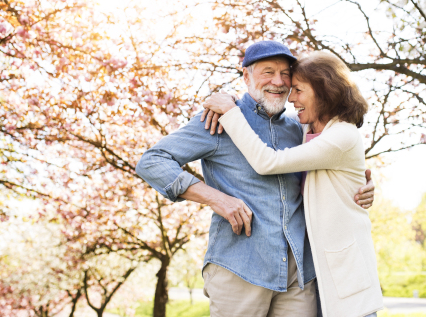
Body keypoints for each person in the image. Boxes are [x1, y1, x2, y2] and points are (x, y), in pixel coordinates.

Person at [135, 41, 375, 317]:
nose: (278, 81)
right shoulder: (218, 120)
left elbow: (336, 161)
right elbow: (152, 161)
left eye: (286, 74)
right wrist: (217, 199)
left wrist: (364, 185)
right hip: (240, 268)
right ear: (246, 76)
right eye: (267, 72)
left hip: (298, 276)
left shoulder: (300, 127)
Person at [203, 51, 383, 317]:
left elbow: (268, 162)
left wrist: (232, 114)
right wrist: (237, 102)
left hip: (344, 275)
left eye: (298, 89)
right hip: (316, 272)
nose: (291, 97)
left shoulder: (342, 134)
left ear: (324, 90)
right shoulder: (308, 132)